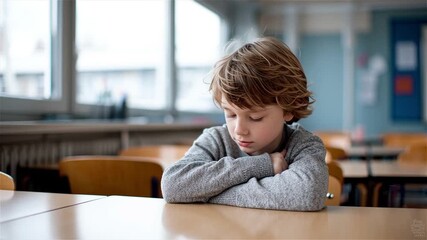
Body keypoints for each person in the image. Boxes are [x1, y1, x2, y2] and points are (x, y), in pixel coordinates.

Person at [161, 37, 328, 211]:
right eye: (230, 114)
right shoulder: (217, 139)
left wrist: (207, 194)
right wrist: (264, 164)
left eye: (255, 117)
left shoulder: (305, 145)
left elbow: (307, 195)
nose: (239, 130)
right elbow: (173, 185)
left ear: (287, 110)